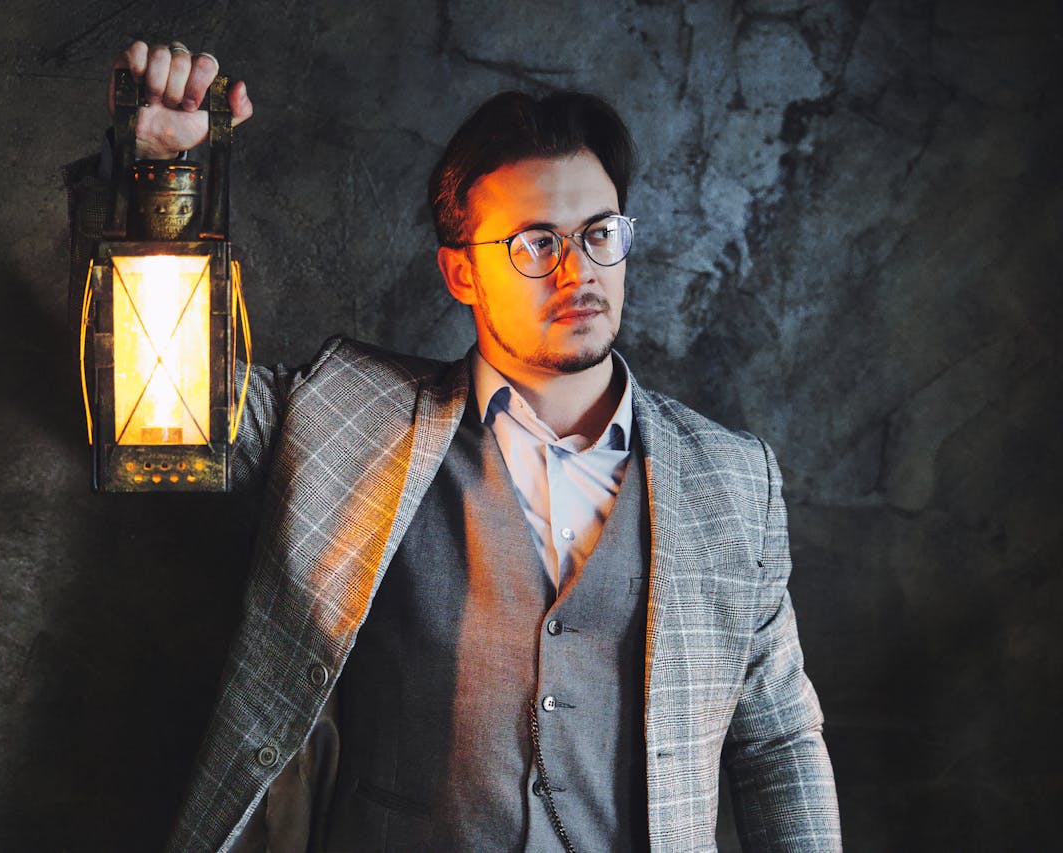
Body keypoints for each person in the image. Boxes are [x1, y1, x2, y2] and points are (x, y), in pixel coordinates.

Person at [68, 39, 842, 853]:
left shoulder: (730, 478)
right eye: (537, 242)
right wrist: (163, 178)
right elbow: (157, 410)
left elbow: (777, 742)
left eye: (600, 231)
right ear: (460, 273)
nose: (579, 269)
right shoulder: (342, 414)